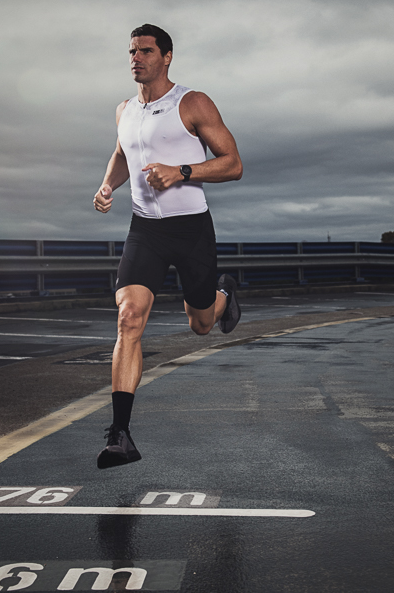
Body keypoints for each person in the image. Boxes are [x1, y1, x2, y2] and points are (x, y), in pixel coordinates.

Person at [92, 24, 244, 469]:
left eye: (146, 51)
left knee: (199, 326)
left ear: (168, 56)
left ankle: (223, 297)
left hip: (191, 228)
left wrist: (182, 171)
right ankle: (120, 434)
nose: (136, 58)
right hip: (146, 231)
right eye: (132, 51)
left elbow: (233, 164)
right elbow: (123, 154)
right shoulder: (124, 110)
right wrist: (107, 186)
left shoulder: (192, 103)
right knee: (128, 317)